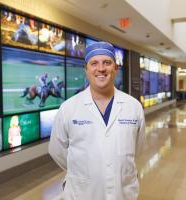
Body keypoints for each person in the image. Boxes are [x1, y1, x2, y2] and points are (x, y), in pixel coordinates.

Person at [49, 41, 145, 200]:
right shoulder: (68, 108)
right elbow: (56, 150)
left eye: (107, 62)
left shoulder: (133, 107)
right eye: (94, 63)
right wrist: (84, 171)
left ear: (116, 68)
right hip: (81, 193)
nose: (101, 68)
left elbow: (138, 149)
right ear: (86, 70)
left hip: (123, 193)